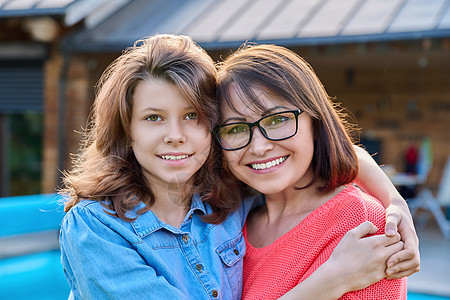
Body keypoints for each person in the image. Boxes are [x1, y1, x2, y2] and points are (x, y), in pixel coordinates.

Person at [59, 34, 416, 300]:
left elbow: (329, 151)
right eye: (153, 118)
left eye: (192, 116)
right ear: (127, 132)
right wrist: (334, 279)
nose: (175, 136)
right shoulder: (96, 227)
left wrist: (395, 202)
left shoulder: (225, 199)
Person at [213, 43, 412, 299]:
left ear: (315, 123)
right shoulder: (228, 227)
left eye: (277, 119)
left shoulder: (361, 222)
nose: (259, 147)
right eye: (236, 128)